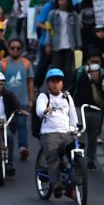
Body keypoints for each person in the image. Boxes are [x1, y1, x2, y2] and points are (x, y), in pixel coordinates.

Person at [35, 67, 79, 198]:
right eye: (53, 81)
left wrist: (75, 129)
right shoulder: (44, 96)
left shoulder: (67, 97)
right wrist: (44, 111)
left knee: (77, 155)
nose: (56, 84)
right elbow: (39, 110)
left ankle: (73, 183)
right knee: (53, 158)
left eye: (59, 81)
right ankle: (56, 185)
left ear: (62, 83)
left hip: (66, 134)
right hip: (49, 134)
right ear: (48, 83)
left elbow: (73, 115)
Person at [0, 37, 33, 161]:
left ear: (21, 50)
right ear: (8, 49)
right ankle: (6, 149)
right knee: (9, 128)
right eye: (12, 48)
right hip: (6, 103)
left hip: (23, 101)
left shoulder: (26, 63)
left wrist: (31, 99)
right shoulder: (3, 63)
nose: (15, 50)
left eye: (18, 48)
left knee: (22, 124)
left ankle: (23, 148)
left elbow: (30, 82)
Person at [71, 50, 104, 169]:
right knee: (80, 135)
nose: (95, 64)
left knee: (93, 136)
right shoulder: (79, 72)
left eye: (98, 62)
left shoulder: (103, 73)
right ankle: (78, 158)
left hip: (96, 109)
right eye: (93, 61)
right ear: (87, 61)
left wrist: (97, 81)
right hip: (80, 108)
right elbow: (72, 88)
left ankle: (90, 160)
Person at [41, 0, 79, 80]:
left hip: (70, 46)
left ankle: (67, 90)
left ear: (68, 1)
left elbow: (77, 31)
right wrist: (48, 44)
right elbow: (49, 30)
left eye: (63, 0)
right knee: (56, 69)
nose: (61, 2)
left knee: (68, 70)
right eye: (59, 0)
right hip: (56, 46)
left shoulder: (73, 14)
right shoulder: (52, 14)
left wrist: (78, 45)